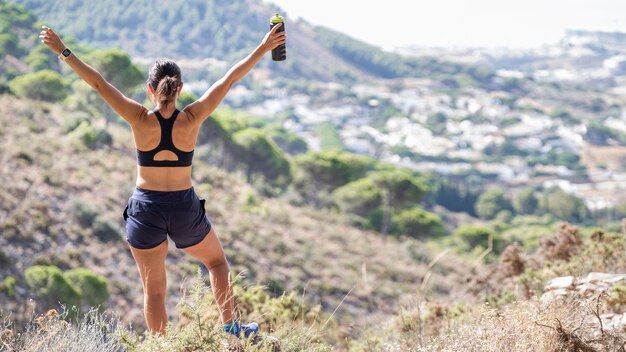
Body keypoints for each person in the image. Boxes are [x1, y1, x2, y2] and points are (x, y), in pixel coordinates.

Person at [38, 22, 286, 338]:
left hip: (146, 209)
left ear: (150, 90)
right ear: (179, 88)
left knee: (154, 291)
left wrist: (63, 50)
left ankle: (162, 346)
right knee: (217, 264)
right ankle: (231, 328)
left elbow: (99, 84)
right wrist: (265, 47)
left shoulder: (139, 118)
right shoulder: (193, 118)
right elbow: (231, 77)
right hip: (183, 207)